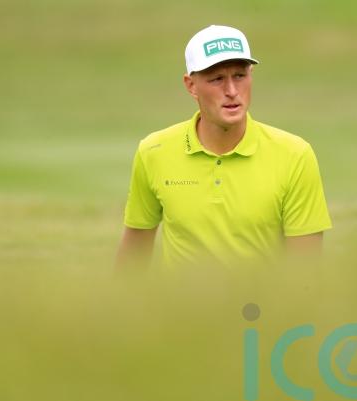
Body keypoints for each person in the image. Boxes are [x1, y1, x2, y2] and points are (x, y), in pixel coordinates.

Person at [116, 25, 332, 270]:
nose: (231, 91)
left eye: (239, 76)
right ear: (191, 85)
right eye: (217, 79)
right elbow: (132, 264)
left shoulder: (295, 155)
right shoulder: (154, 151)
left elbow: (306, 273)